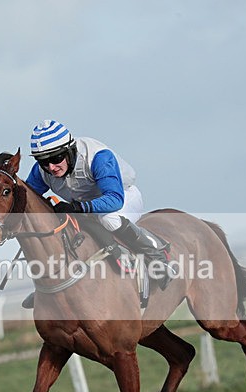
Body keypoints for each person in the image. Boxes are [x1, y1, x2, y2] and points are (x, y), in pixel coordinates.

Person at [21, 119, 173, 308]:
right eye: (44, 161)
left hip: (122, 197)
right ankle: (49, 286)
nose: (51, 167)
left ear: (69, 150)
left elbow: (114, 199)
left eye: (56, 158)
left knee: (108, 219)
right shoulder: (42, 171)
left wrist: (78, 208)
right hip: (84, 206)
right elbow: (27, 198)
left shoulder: (98, 157)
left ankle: (156, 256)